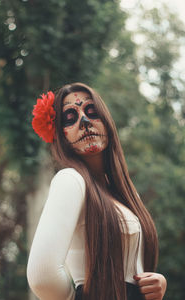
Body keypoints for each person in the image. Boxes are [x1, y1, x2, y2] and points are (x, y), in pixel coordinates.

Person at [27, 82, 167, 300]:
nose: (85, 121)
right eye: (70, 118)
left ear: (107, 122)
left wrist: (155, 284)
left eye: (92, 112)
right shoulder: (70, 180)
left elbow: (131, 269)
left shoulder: (127, 195)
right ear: (61, 135)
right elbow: (42, 276)